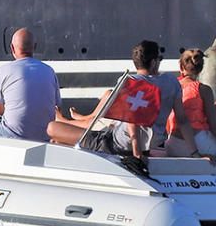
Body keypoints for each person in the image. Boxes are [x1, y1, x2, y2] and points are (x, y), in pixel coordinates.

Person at [49, 40, 195, 158]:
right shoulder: (170, 82)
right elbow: (182, 120)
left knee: (52, 128)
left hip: (115, 144)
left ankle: (66, 128)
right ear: (153, 62)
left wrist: (136, 149)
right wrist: (195, 153)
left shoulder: (130, 82)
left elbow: (132, 117)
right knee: (62, 139)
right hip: (149, 145)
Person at [0, 28, 60, 142]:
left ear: (12, 48)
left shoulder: (3, 70)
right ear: (34, 47)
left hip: (13, 135)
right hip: (44, 135)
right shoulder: (49, 71)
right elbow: (56, 108)